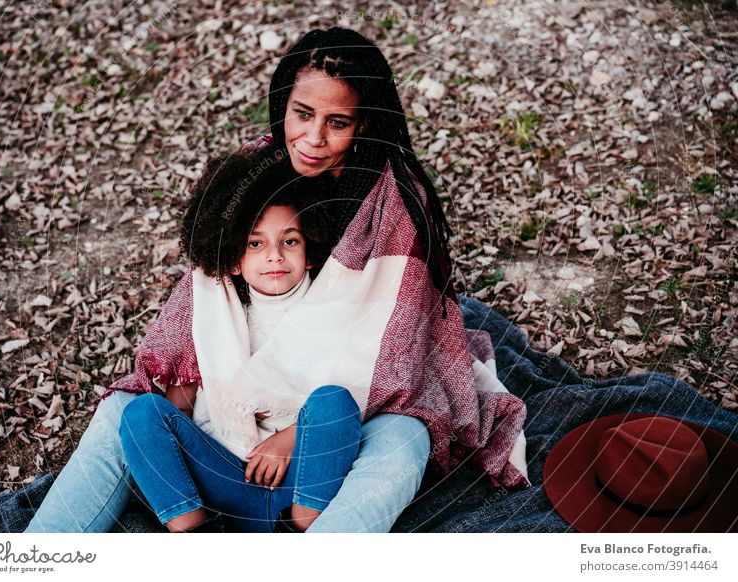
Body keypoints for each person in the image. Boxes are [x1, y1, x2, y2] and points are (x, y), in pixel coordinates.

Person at [27, 27, 521, 534]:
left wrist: (297, 432)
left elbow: (393, 361)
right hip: (232, 407)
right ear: (283, 105)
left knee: (405, 440)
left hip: (342, 419)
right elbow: (205, 295)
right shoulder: (253, 173)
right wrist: (187, 385)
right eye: (302, 114)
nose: (313, 138)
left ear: (365, 123)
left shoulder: (395, 206)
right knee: (120, 416)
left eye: (338, 122)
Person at [120, 154, 361, 532]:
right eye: (254, 244)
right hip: (224, 480)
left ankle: (302, 532)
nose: (274, 256)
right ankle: (196, 534)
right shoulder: (216, 318)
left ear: (311, 251)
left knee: (334, 401)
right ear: (232, 260)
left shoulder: (330, 310)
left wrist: (289, 438)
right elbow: (175, 412)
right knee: (141, 415)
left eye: (290, 240)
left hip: (300, 481)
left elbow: (364, 393)